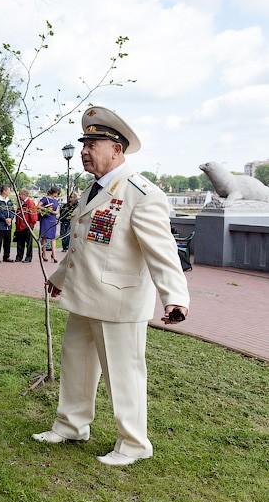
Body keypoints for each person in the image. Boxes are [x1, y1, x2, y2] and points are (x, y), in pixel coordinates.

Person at [33, 106, 190, 467]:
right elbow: (82, 246)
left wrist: (175, 297)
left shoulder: (141, 193)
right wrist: (59, 279)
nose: (85, 150)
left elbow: (162, 251)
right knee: (76, 365)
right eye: (83, 143)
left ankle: (134, 444)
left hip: (119, 303)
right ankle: (72, 425)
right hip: (84, 296)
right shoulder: (93, 189)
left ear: (117, 149)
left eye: (93, 143)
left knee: (124, 374)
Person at [0, 184, 15, 263]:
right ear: (4, 191)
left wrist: (10, 218)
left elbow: (12, 211)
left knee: (7, 241)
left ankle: (6, 256)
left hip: (8, 225)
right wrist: (5, 219)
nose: (10, 192)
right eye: (9, 190)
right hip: (0, 225)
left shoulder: (9, 201)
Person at [14, 189, 37, 263]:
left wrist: (31, 224)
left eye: (20, 194)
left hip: (27, 226)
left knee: (29, 243)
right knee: (20, 242)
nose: (19, 196)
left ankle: (28, 257)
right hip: (20, 226)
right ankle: (19, 257)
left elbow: (33, 215)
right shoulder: (21, 203)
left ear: (24, 195)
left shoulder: (30, 203)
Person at [38, 187, 61, 262]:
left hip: (52, 220)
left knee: (53, 237)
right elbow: (38, 206)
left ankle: (53, 255)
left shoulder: (56, 201)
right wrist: (46, 209)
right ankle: (44, 253)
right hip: (45, 219)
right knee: (44, 237)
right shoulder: (45, 199)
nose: (57, 195)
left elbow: (57, 211)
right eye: (57, 193)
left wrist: (51, 212)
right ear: (54, 192)